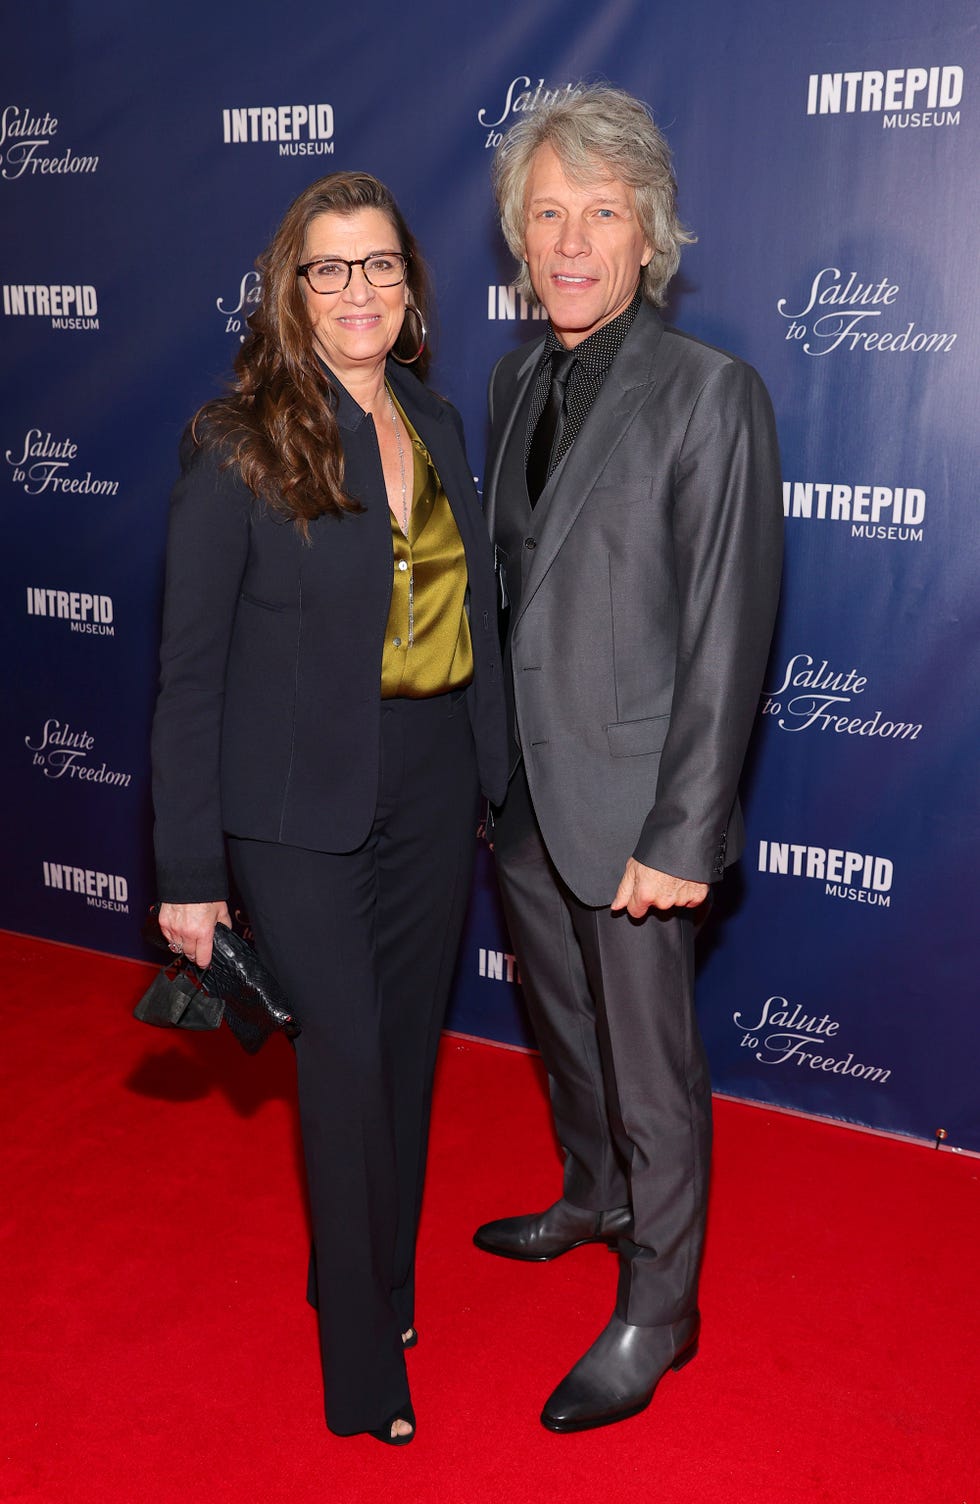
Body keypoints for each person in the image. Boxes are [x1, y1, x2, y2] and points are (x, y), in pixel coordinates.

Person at [151, 172, 508, 1445]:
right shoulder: (238, 443)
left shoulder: (438, 420)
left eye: (378, 266)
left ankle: (380, 1283)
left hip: (428, 782)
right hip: (292, 809)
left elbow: (475, 617)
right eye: (329, 268)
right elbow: (189, 671)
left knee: (406, 1062)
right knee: (344, 1065)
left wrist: (495, 771)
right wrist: (189, 871)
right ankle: (361, 1366)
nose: (357, 290)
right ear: (291, 294)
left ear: (410, 287)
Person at [474, 86, 783, 1432]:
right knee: (562, 1026)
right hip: (528, 790)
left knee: (655, 1064)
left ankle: (663, 1302)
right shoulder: (513, 375)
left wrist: (684, 828)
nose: (572, 241)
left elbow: (729, 630)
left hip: (640, 802)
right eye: (547, 215)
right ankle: (593, 1192)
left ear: (649, 236)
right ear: (518, 236)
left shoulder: (713, 394)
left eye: (601, 212)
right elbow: (515, 590)